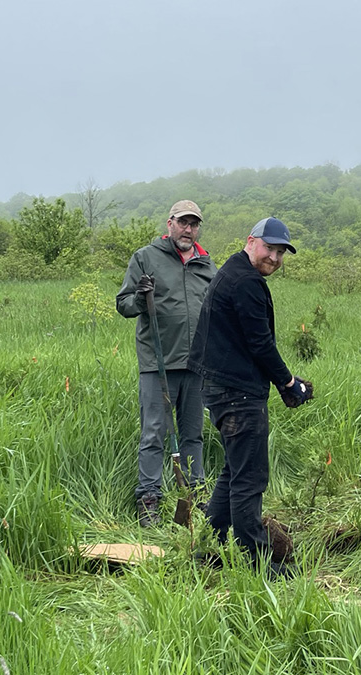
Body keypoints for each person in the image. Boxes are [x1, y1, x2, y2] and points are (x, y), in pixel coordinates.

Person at [188, 216, 313, 572]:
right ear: (251, 241)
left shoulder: (233, 271)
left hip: (222, 388)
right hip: (238, 395)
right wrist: (289, 383)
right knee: (250, 478)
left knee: (233, 470)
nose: (274, 258)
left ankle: (208, 549)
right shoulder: (246, 282)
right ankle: (256, 563)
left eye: (280, 252)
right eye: (269, 248)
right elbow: (261, 344)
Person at [115, 200, 217, 527]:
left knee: (193, 434)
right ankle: (149, 499)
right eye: (183, 222)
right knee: (154, 433)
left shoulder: (206, 265)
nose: (188, 229)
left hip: (197, 363)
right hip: (157, 363)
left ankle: (195, 494)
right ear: (170, 223)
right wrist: (139, 297)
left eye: (194, 224)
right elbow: (124, 305)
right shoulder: (146, 258)